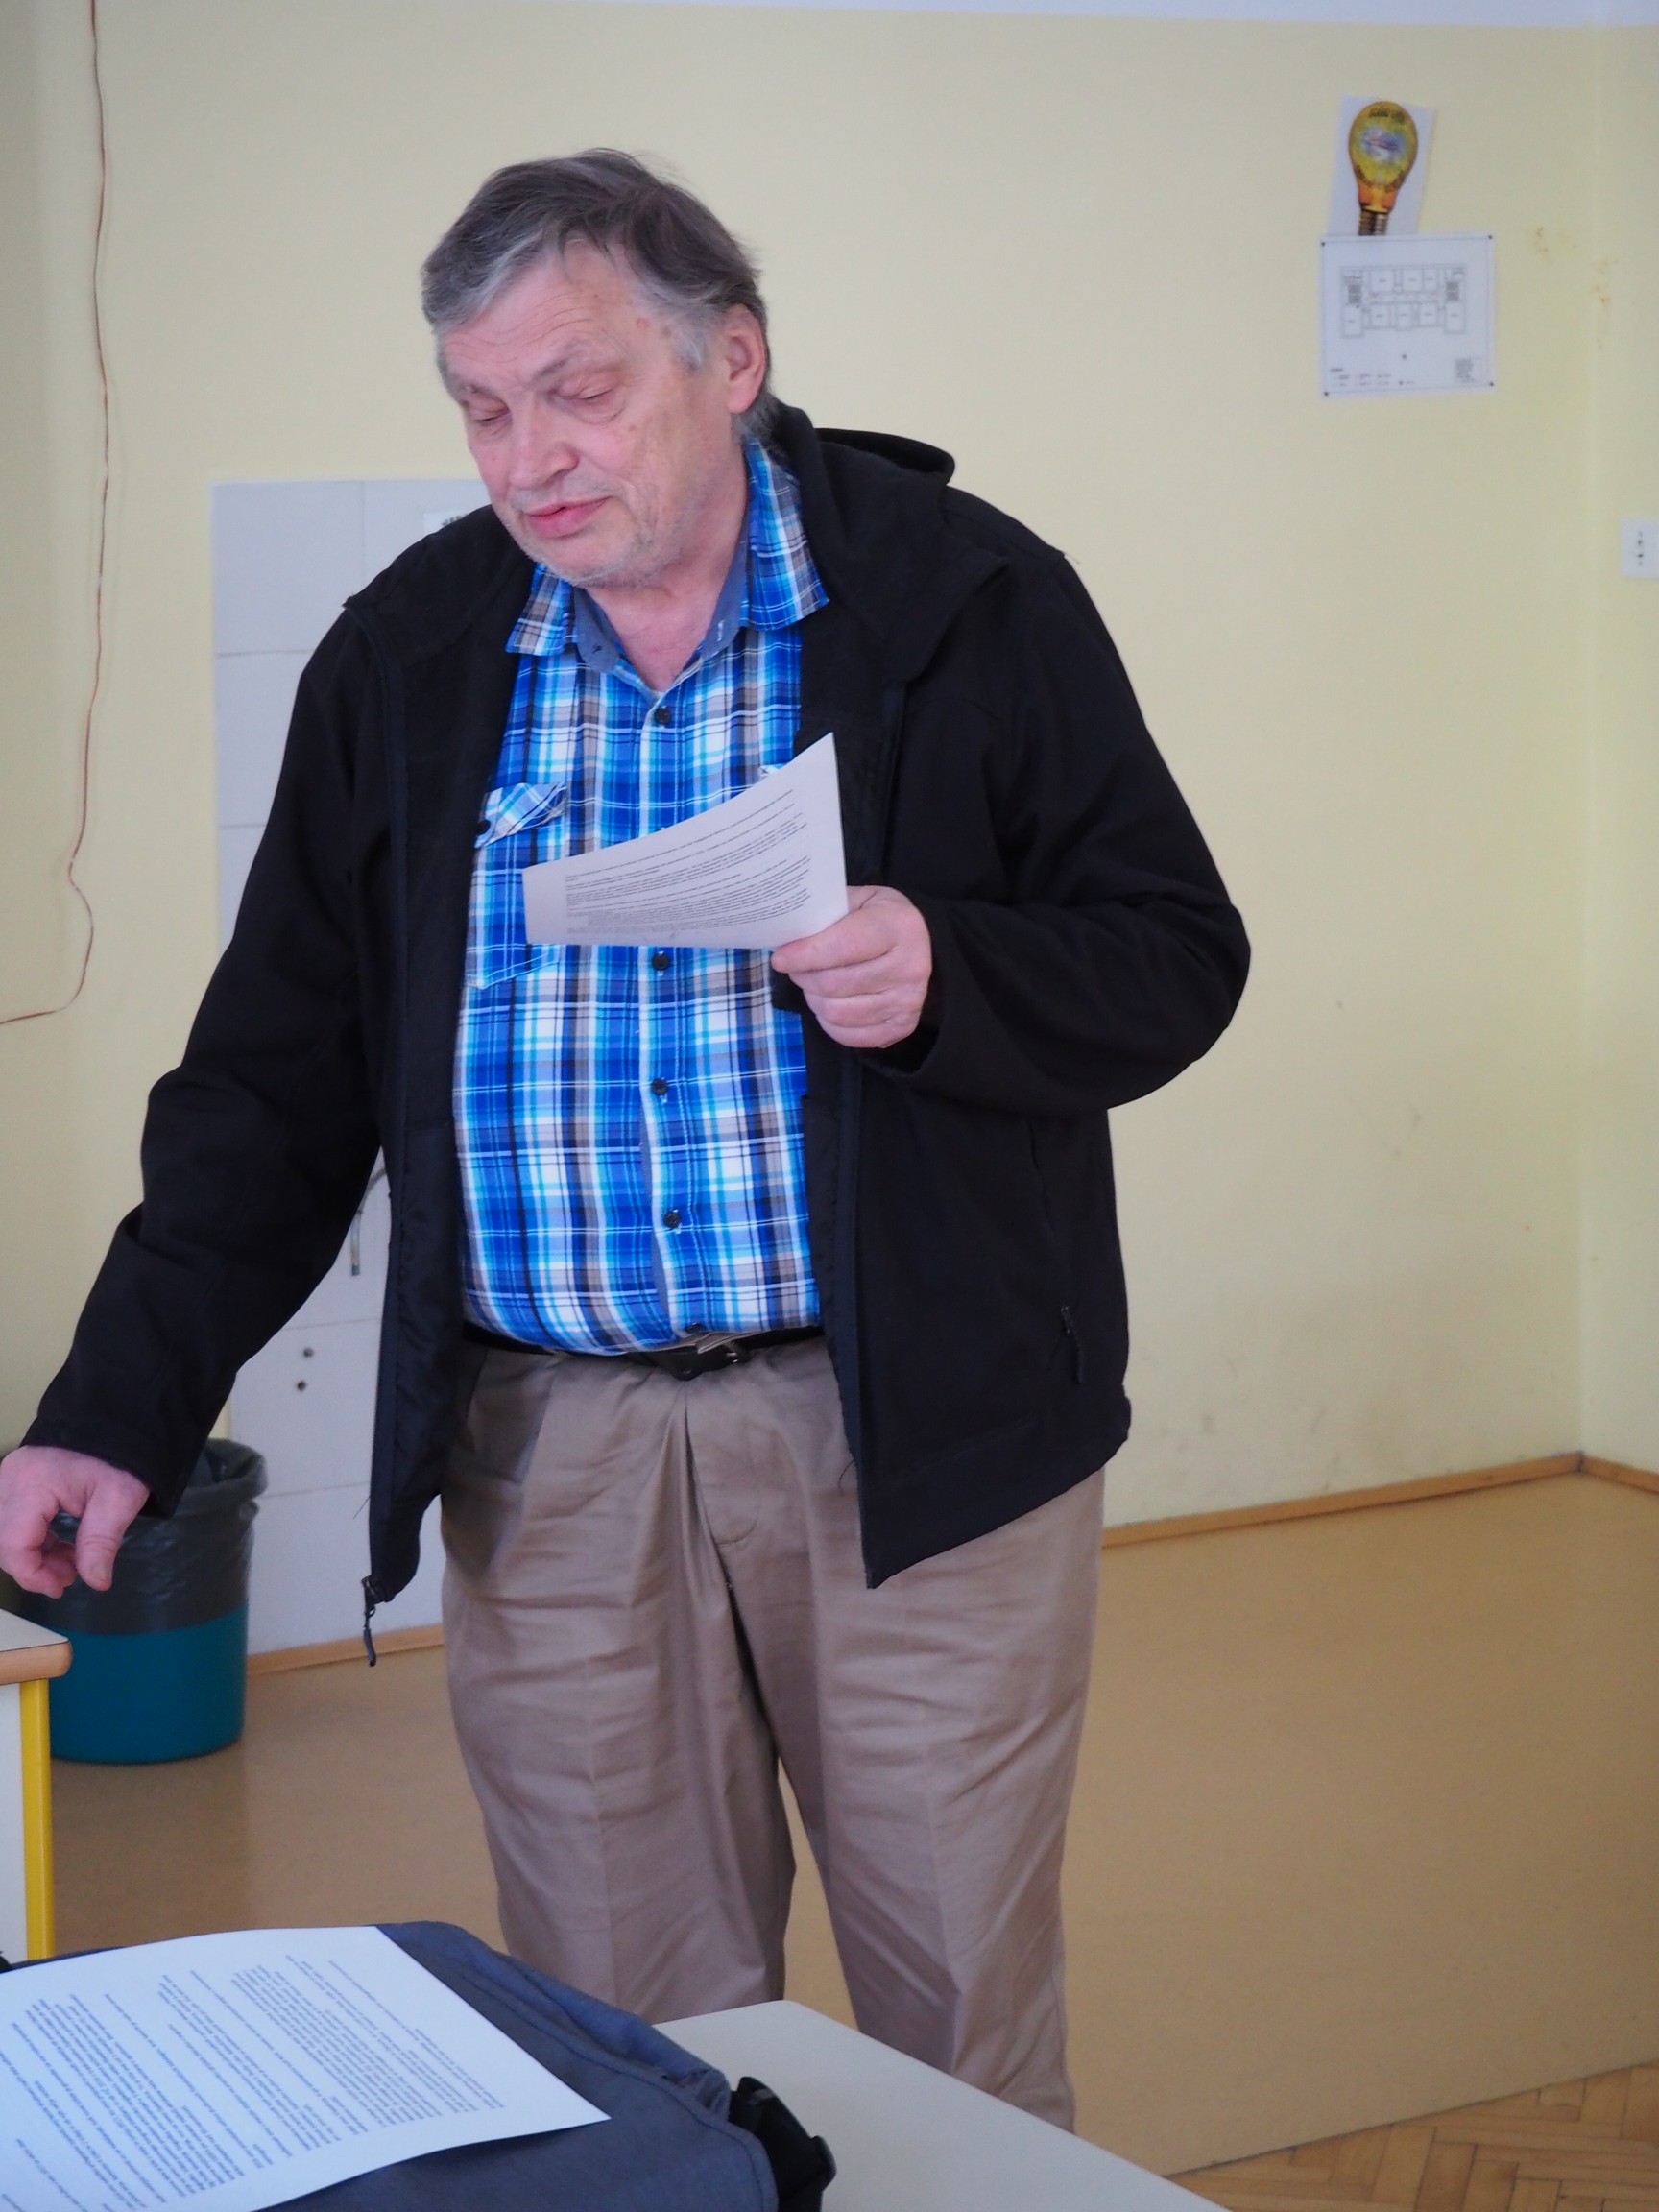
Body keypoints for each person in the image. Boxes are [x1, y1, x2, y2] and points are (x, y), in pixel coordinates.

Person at [0, 152, 1248, 2126]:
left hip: (917, 1437)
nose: (530, 459)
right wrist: (115, 1405)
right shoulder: (412, 656)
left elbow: (1176, 953)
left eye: (578, 392)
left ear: (730, 360)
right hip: (555, 1456)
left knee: (961, 2031)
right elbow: (274, 1078)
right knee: (632, 2045)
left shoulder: (967, 600)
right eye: (483, 410)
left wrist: (953, 973)